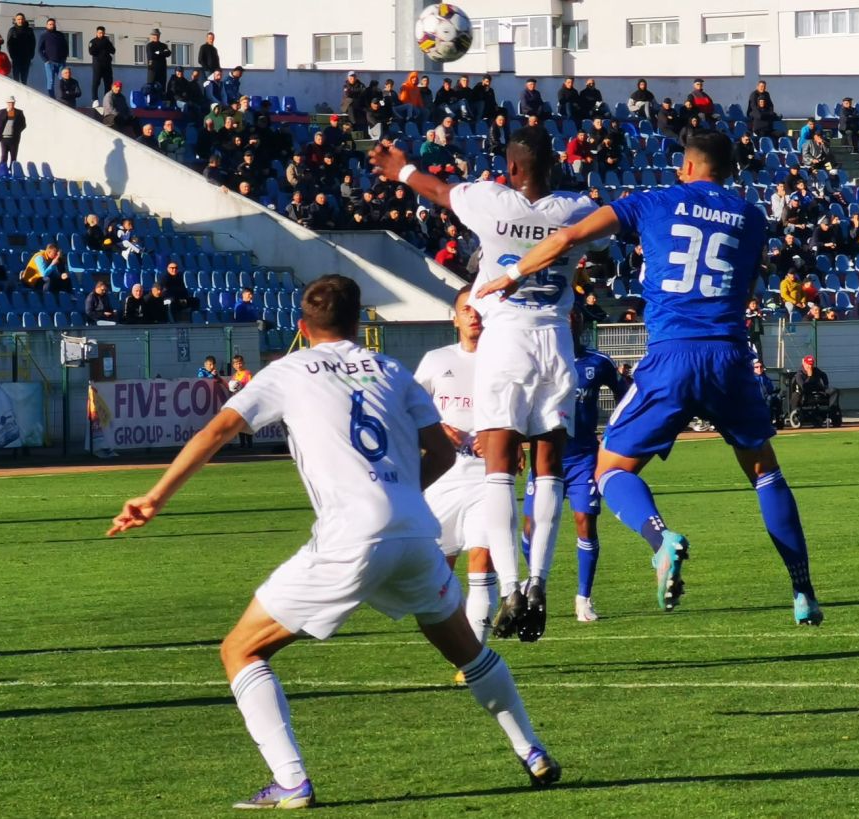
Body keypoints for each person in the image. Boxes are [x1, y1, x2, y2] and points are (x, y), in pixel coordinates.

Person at [107, 275, 561, 809]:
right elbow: (441, 454)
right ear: (360, 323)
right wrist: (398, 498)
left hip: (350, 536)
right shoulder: (391, 369)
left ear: (302, 327)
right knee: (467, 650)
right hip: (415, 530)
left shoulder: (289, 370)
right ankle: (531, 749)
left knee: (241, 649)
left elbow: (216, 431)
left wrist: (155, 497)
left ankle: (291, 781)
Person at [491, 132, 824, 625]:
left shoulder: (653, 202)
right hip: (730, 356)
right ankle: (803, 592)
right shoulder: (751, 217)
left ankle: (660, 538)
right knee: (765, 473)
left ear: (686, 167)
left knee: (610, 471)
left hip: (672, 355)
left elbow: (567, 237)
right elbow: (747, 280)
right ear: (729, 170)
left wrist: (513, 273)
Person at [371, 127, 599, 643]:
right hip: (557, 340)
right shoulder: (576, 209)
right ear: (553, 165)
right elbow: (605, 235)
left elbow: (437, 190)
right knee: (548, 468)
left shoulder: (492, 201)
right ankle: (540, 582)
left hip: (508, 340)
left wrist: (402, 169)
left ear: (512, 168)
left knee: (498, 468)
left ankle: (513, 585)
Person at [413, 286, 499, 661]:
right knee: (436, 572)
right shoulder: (436, 360)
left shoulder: (504, 361)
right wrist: (435, 428)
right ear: (455, 318)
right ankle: (457, 642)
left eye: (479, 308)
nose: (473, 314)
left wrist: (505, 441)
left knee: (482, 559)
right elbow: (410, 408)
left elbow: (526, 410)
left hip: (488, 477)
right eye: (466, 309)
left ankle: (475, 657)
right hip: (442, 479)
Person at [520, 309, 622, 623]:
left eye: (574, 317)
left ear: (580, 324)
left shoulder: (598, 363)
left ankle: (583, 599)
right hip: (545, 457)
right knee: (530, 528)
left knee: (584, 522)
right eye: (564, 317)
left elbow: (626, 398)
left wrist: (613, 436)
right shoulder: (537, 361)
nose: (569, 322)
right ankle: (535, 583)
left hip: (584, 460)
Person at [228, 354, 255, 449]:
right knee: (239, 423)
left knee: (247, 422)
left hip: (246, 401)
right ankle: (242, 443)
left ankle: (249, 443)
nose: (238, 365)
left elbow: (251, 386)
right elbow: (232, 388)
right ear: (233, 365)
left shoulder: (247, 373)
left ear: (243, 363)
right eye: (236, 364)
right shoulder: (234, 376)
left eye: (240, 363)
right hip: (238, 401)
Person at [38, 18, 68, 99]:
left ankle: (65, 97)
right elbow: (40, 49)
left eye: (53, 24)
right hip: (50, 63)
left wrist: (64, 58)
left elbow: (66, 47)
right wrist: (46, 61)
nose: (52, 26)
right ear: (47, 25)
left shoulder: (60, 35)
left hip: (61, 62)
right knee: (50, 81)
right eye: (50, 24)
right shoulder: (44, 35)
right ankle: (52, 98)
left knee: (63, 80)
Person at [0, 97, 26, 168]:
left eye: (12, 103)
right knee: (4, 156)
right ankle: (3, 170)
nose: (11, 104)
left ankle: (12, 170)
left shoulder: (19, 112)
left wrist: (16, 132)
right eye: (9, 103)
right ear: (7, 103)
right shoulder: (2, 112)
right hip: (4, 138)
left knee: (13, 157)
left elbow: (23, 125)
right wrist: (3, 131)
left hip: (14, 139)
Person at [5, 13, 36, 85]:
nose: (20, 21)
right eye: (18, 19)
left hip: (26, 58)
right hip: (16, 58)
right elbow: (9, 44)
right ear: (15, 20)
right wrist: (12, 56)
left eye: (22, 19)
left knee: (24, 79)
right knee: (16, 80)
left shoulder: (29, 30)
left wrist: (31, 55)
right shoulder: (12, 30)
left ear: (24, 20)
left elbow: (33, 43)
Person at [87, 27, 115, 105]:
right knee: (96, 82)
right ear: (96, 33)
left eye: (102, 33)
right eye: (99, 33)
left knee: (108, 83)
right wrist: (101, 48)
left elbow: (113, 50)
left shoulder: (107, 41)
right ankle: (95, 99)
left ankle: (107, 100)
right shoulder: (93, 41)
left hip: (107, 65)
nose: (101, 34)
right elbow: (91, 52)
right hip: (98, 65)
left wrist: (106, 47)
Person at [145, 29, 171, 94]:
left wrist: (158, 52)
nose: (156, 36)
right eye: (154, 35)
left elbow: (168, 53)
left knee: (162, 89)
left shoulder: (163, 45)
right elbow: (151, 56)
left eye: (157, 35)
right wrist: (161, 52)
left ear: (159, 36)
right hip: (152, 70)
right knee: (151, 88)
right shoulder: (149, 45)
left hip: (162, 70)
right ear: (151, 36)